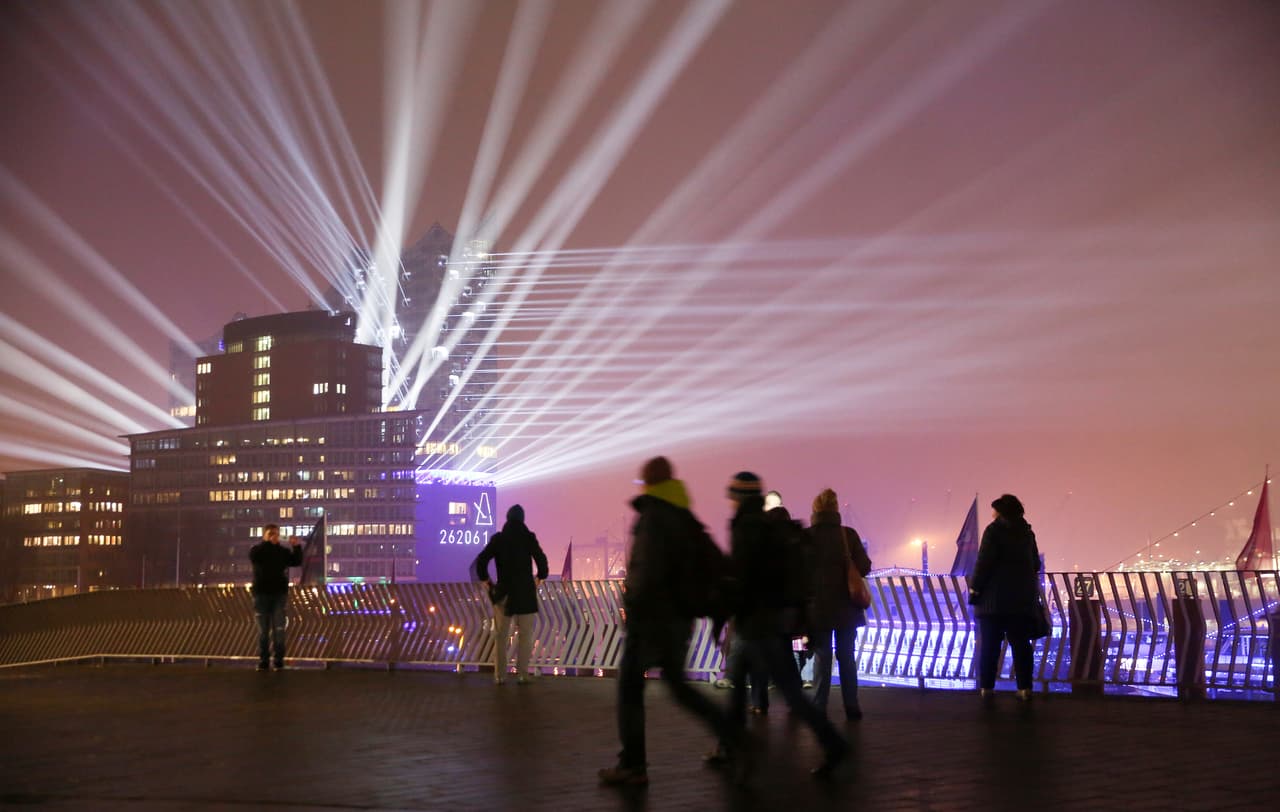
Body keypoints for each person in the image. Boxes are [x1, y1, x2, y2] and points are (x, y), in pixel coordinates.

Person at [599, 456, 743, 787]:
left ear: (649, 483)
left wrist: (632, 607)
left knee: (629, 687)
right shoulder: (684, 515)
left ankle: (633, 765)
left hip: (651, 620)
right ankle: (733, 735)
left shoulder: (653, 516)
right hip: (679, 620)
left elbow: (646, 573)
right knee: (679, 688)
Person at [710, 472, 848, 779]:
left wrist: (722, 616)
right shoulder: (769, 527)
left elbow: (741, 578)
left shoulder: (746, 526)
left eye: (732, 495)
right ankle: (728, 747)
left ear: (739, 497)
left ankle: (833, 742)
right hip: (770, 620)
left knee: (787, 693)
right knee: (751, 687)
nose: (729, 501)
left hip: (757, 624)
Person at [969, 493, 1042, 701]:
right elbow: (1036, 563)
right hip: (1021, 601)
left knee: (990, 646)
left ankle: (987, 689)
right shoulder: (1027, 533)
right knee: (1021, 645)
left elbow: (983, 563)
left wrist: (975, 589)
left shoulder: (993, 531)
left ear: (1000, 512)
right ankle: (1025, 689)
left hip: (994, 602)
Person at [807, 487, 871, 720]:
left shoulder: (807, 536)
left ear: (815, 509)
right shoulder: (848, 535)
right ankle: (852, 707)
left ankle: (819, 707)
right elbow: (865, 567)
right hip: (847, 608)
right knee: (846, 655)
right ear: (835, 509)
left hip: (818, 609)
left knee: (822, 656)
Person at [474, 504, 549, 685]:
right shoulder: (528, 538)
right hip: (525, 594)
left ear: (507, 519)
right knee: (525, 636)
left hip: (504, 594)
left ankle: (500, 676)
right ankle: (523, 675)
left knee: (501, 636)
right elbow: (542, 561)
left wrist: (487, 581)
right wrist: (539, 578)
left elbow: (481, 561)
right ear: (523, 519)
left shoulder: (499, 539)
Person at [249, 523, 304, 671]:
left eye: (276, 533)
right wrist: (267, 543)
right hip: (261, 594)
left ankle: (278, 660)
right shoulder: (258, 550)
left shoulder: (282, 551)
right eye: (271, 533)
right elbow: (254, 557)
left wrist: (296, 547)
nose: (274, 536)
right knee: (263, 630)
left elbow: (296, 561)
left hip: (278, 594)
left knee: (279, 629)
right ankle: (264, 660)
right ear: (265, 535)